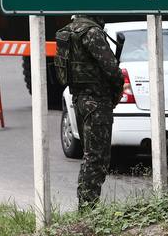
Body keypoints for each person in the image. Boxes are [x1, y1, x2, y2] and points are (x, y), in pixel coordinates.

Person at [55, 15, 124, 211]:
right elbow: (112, 69)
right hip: (97, 101)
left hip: (79, 99)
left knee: (90, 155)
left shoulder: (68, 31)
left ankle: (86, 206)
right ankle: (87, 209)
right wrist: (116, 90)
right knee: (97, 157)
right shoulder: (92, 33)